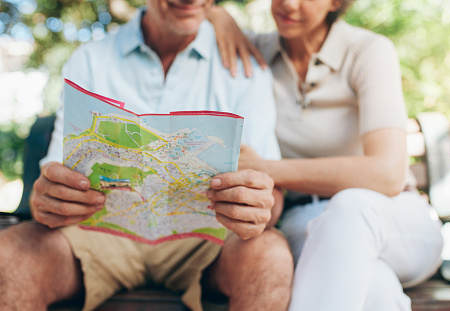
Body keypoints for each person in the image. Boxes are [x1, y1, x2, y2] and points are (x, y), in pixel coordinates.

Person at [0, 0, 294, 310]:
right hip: (97, 233)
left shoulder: (246, 67)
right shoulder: (90, 59)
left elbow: (269, 196)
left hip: (207, 241)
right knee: (11, 253)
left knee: (269, 255)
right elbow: (48, 186)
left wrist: (258, 208)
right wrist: (48, 199)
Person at [209, 0, 444, 310]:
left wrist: (268, 168)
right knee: (375, 288)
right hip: (304, 222)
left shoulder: (367, 50)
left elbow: (387, 174)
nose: (288, 4)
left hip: (393, 217)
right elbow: (180, 11)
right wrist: (216, 14)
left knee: (350, 208)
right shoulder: (254, 53)